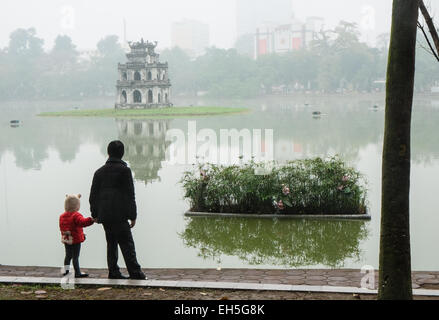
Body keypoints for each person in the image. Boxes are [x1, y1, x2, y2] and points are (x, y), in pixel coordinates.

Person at [89, 140, 146, 280]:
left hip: (105, 215)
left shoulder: (99, 172)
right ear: (122, 154)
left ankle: (113, 271)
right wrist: (133, 215)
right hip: (120, 215)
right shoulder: (125, 171)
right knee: (127, 244)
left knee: (111, 243)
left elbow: (93, 196)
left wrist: (95, 214)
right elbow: (129, 195)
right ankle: (135, 273)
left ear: (108, 153)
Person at [59, 194, 94, 278]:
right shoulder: (76, 215)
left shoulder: (62, 216)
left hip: (67, 239)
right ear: (77, 206)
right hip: (75, 240)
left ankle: (66, 271)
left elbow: (67, 227)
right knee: (75, 257)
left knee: (68, 256)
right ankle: (77, 273)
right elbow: (83, 222)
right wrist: (91, 220)